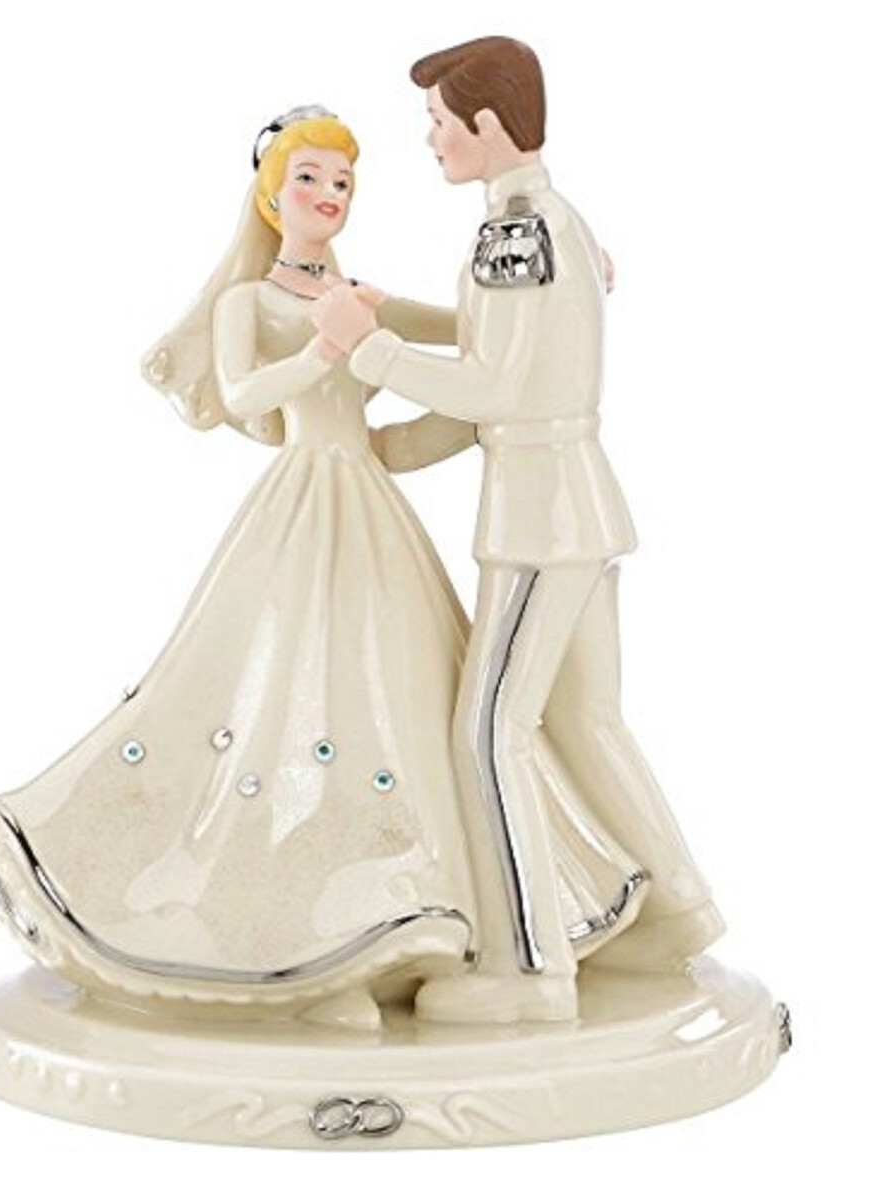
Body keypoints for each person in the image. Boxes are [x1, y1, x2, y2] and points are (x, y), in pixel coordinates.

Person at [0, 107, 644, 1029]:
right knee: (292, 704)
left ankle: (392, 929)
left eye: (342, 181)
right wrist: (330, 347)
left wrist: (572, 289)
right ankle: (297, 948)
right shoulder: (248, 304)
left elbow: (470, 328)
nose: (330, 195)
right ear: (270, 196)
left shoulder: (359, 295)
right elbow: (244, 392)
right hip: (302, 502)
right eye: (310, 180)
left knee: (398, 702)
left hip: (370, 502)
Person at [317, 38, 723, 1024]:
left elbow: (495, 387)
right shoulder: (548, 223)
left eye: (439, 123)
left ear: (488, 126)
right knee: (587, 719)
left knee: (488, 731)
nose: (430, 140)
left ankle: (529, 970)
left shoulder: (514, 233)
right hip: (576, 505)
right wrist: (390, 443)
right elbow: (502, 364)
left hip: (539, 523)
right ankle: (679, 912)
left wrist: (368, 350)